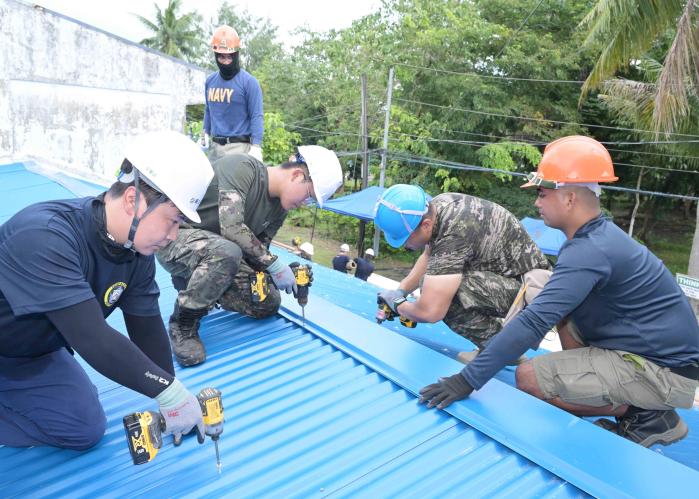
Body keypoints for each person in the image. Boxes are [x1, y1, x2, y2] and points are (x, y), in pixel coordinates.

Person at [418, 136, 699, 448]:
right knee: (565, 313)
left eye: (542, 193)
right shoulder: (593, 239)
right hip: (652, 353)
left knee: (529, 378)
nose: (537, 202)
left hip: (664, 371)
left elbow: (534, 322)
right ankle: (618, 395)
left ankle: (646, 415)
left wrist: (466, 381)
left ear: (569, 199)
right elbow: (548, 312)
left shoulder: (590, 250)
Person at [0, 131, 214, 450]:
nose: (172, 235)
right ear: (133, 201)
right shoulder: (45, 235)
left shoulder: (135, 252)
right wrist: (166, 391)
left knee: (84, 429)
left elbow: (147, 329)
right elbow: (92, 338)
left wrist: (171, 392)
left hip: (31, 352)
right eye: (171, 220)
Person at [157, 146, 343, 367]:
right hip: (176, 239)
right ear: (297, 175)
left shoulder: (280, 210)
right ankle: (183, 324)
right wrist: (273, 265)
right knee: (227, 251)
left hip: (221, 258)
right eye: (309, 196)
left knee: (267, 302)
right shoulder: (242, 168)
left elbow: (256, 254)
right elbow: (232, 228)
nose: (305, 204)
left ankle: (196, 284)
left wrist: (282, 272)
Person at [374, 184, 551, 363]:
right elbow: (429, 255)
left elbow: (431, 311)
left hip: (533, 291)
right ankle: (494, 343)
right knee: (436, 280)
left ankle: (503, 349)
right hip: (512, 278)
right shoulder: (437, 206)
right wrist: (400, 291)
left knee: (446, 297)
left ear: (426, 225)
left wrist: (398, 305)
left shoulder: (453, 234)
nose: (404, 246)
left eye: (405, 239)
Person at [204, 25, 264, 164]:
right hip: (214, 149)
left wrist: (256, 146)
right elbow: (208, 110)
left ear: (236, 54)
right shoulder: (210, 81)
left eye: (229, 57)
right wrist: (204, 134)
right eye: (221, 57)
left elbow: (257, 116)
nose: (225, 61)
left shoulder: (249, 82)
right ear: (215, 55)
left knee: (233, 186)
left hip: (239, 149)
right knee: (212, 185)